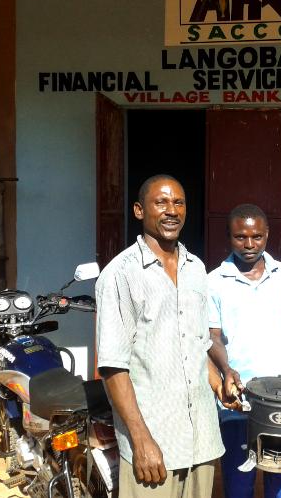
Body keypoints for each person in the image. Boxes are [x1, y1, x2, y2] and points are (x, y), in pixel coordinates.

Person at [95, 174, 224, 498]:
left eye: (179, 203)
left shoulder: (196, 269)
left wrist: (220, 383)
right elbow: (113, 367)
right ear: (139, 210)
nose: (172, 211)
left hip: (201, 439)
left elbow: (196, 346)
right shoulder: (120, 274)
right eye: (161, 202)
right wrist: (141, 441)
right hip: (155, 443)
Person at [207, 203, 281, 498]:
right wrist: (227, 370)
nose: (249, 244)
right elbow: (212, 337)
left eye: (257, 236)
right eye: (240, 237)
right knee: (239, 482)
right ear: (229, 236)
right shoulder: (214, 282)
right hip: (238, 399)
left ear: (267, 234)